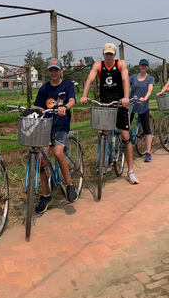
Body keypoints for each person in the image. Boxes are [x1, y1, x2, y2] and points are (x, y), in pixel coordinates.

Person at [81, 43, 138, 184]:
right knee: (101, 132)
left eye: (111, 54)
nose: (108, 56)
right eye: (106, 54)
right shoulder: (98, 65)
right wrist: (84, 95)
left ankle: (130, 170)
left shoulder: (121, 64)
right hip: (105, 104)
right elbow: (90, 79)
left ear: (114, 55)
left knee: (125, 135)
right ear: (103, 54)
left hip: (119, 103)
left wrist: (126, 98)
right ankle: (102, 163)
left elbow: (125, 80)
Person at [32, 59, 77, 214]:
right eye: (51, 70)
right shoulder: (44, 88)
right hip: (46, 126)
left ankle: (69, 184)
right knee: (41, 160)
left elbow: (72, 101)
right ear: (48, 72)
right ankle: (46, 196)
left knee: (58, 153)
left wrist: (64, 107)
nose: (54, 73)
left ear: (61, 70)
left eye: (56, 70)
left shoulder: (67, 85)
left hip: (61, 125)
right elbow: (40, 105)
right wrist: (38, 111)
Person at [130, 59, 155, 162]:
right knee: (124, 125)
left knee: (146, 129)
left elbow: (150, 90)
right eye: (142, 65)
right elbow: (126, 85)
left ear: (147, 67)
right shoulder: (133, 77)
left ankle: (148, 152)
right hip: (132, 104)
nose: (143, 67)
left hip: (143, 105)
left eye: (145, 65)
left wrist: (145, 98)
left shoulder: (150, 78)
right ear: (139, 67)